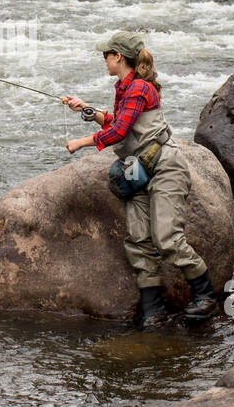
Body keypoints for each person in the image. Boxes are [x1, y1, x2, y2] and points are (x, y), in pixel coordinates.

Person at [61, 31, 219, 326]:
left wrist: (81, 142)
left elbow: (119, 132)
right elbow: (118, 121)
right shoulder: (123, 87)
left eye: (106, 55)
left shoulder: (140, 88)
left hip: (164, 167)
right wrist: (85, 108)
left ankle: (206, 297)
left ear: (118, 57)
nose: (104, 60)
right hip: (136, 170)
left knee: (167, 238)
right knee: (138, 240)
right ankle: (153, 310)